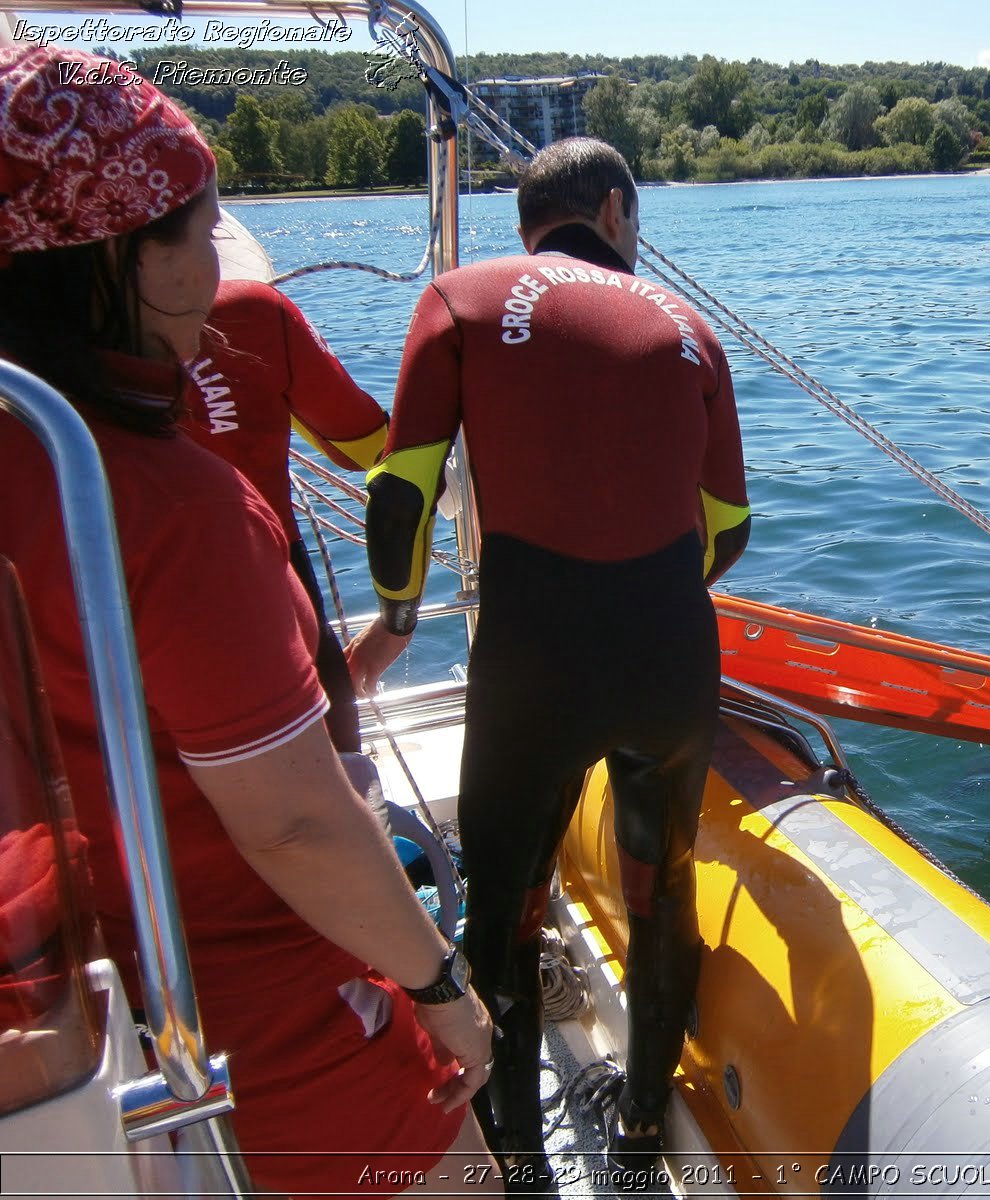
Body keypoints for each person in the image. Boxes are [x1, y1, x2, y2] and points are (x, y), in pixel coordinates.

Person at [0, 46, 500, 1197]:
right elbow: (294, 830)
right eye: (201, 233)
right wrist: (442, 991)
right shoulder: (165, 504)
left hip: (74, 993)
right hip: (250, 1004)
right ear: (123, 253)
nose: (212, 268)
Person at [350, 137, 751, 1184]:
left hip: (534, 667)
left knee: (502, 913)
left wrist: (398, 610)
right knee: (665, 894)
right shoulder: (690, 325)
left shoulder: (461, 297)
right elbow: (729, 529)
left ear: (532, 222)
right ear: (616, 212)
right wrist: (648, 596)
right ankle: (641, 1133)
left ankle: (520, 1162)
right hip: (671, 657)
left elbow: (400, 495)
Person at [180, 277, 390, 753]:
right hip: (261, 585)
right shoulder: (249, 310)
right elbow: (364, 446)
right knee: (327, 749)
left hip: (82, 619)